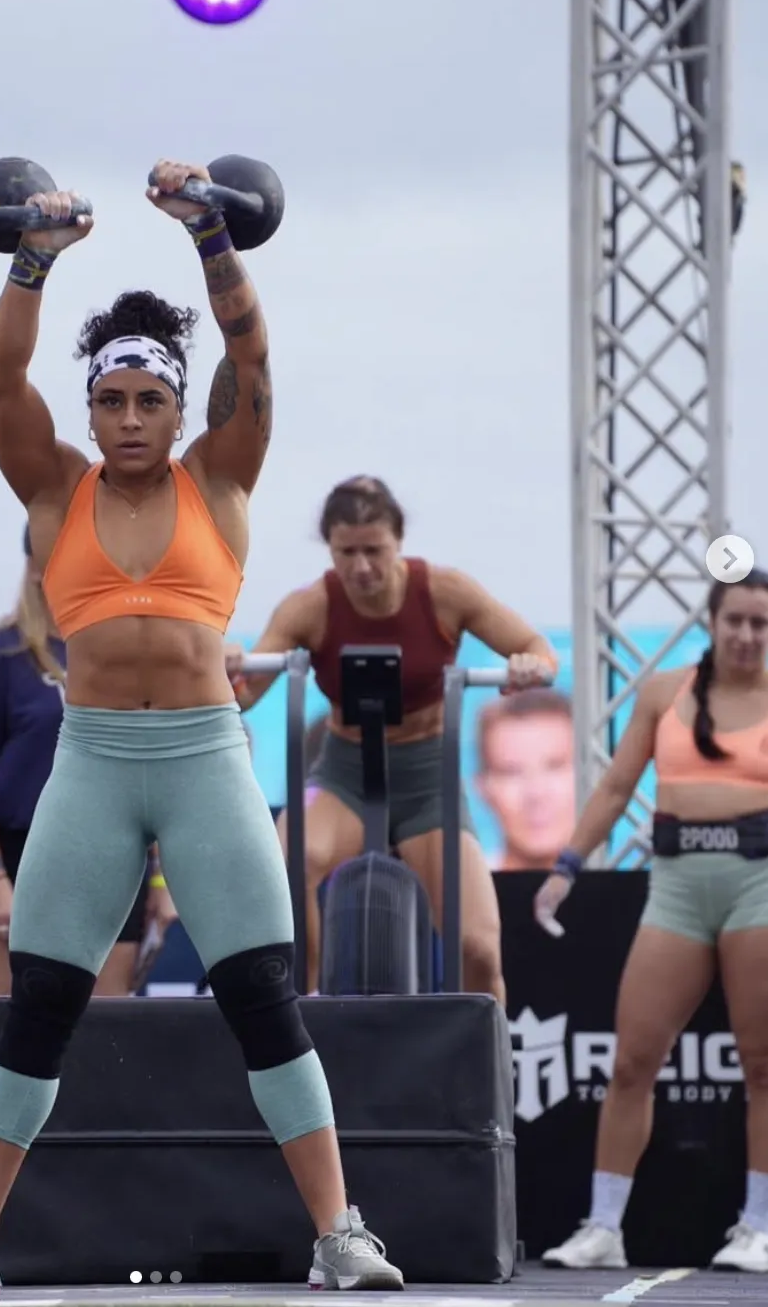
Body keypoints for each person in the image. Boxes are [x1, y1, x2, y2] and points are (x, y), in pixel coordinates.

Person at [0, 160, 404, 1292]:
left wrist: (212, 237)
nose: (129, 419)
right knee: (39, 1007)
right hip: (93, 762)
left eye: (150, 401)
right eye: (112, 400)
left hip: (201, 757)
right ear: (90, 408)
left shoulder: (221, 480)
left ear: (182, 409)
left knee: (264, 998)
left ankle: (339, 1231)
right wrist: (34, 256)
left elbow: (254, 358)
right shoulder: (53, 489)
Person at [231, 476, 557, 1002]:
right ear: (330, 549)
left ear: (399, 541)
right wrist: (230, 668)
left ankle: (487, 1064)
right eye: (346, 552)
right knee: (288, 865)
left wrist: (528, 664)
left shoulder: (446, 592)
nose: (360, 567)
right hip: (345, 775)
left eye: (374, 550)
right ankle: (302, 1020)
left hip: (428, 782)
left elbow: (537, 648)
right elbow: (244, 694)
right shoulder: (310, 607)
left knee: (477, 947)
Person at [538, 568, 768, 1275]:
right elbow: (614, 787)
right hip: (676, 889)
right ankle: (605, 1226)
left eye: (761, 623)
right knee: (633, 1060)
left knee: (764, 1067)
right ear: (713, 619)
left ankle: (757, 1227)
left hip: (757, 885)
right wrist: (564, 870)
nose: (747, 635)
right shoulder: (664, 693)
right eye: (736, 620)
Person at [0, 525, 170, 1017]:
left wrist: (161, 880)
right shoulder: (0, 654)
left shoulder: (126, 647)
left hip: (114, 855)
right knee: (10, 1040)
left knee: (103, 1042)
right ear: (32, 561)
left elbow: (148, 765)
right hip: (19, 856)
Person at [474, 689, 576, 871]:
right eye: (511, 772)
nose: (536, 793)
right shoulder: (452, 896)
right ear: (483, 788)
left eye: (555, 766)